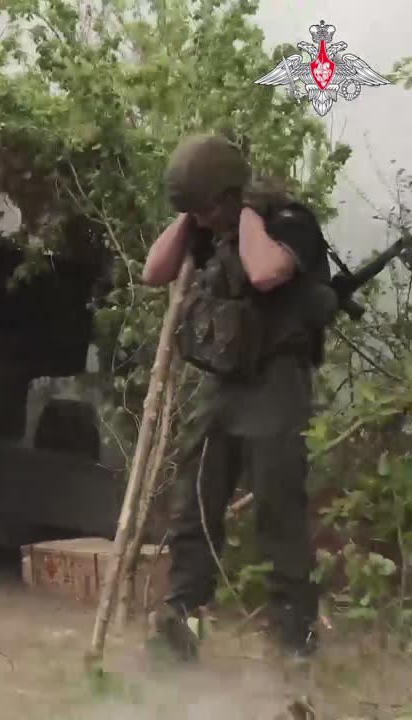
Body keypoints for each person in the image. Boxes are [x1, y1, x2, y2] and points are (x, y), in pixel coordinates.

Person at [141, 134, 331, 664]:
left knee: (278, 514)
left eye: (204, 208)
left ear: (230, 194)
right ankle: (182, 632)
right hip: (223, 384)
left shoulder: (289, 222)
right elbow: (154, 271)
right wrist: (191, 217)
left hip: (276, 383)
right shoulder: (207, 227)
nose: (200, 222)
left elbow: (267, 273)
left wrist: (245, 212)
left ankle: (296, 644)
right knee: (194, 508)